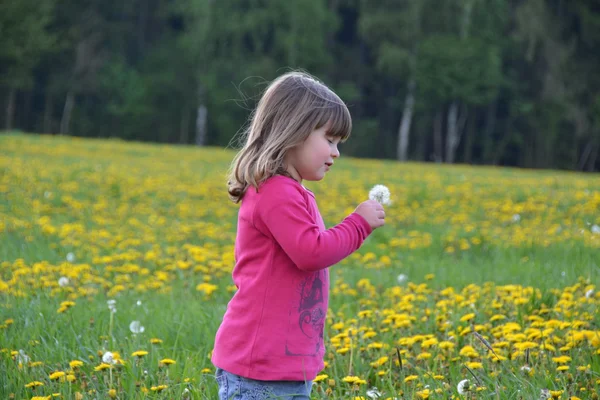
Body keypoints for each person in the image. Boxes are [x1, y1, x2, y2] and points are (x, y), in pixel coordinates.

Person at [211, 71, 386, 399]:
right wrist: (358, 224)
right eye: (329, 140)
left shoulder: (290, 192)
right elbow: (311, 253)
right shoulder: (275, 192)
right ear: (294, 132)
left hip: (284, 365)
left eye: (338, 144)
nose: (335, 153)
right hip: (259, 368)